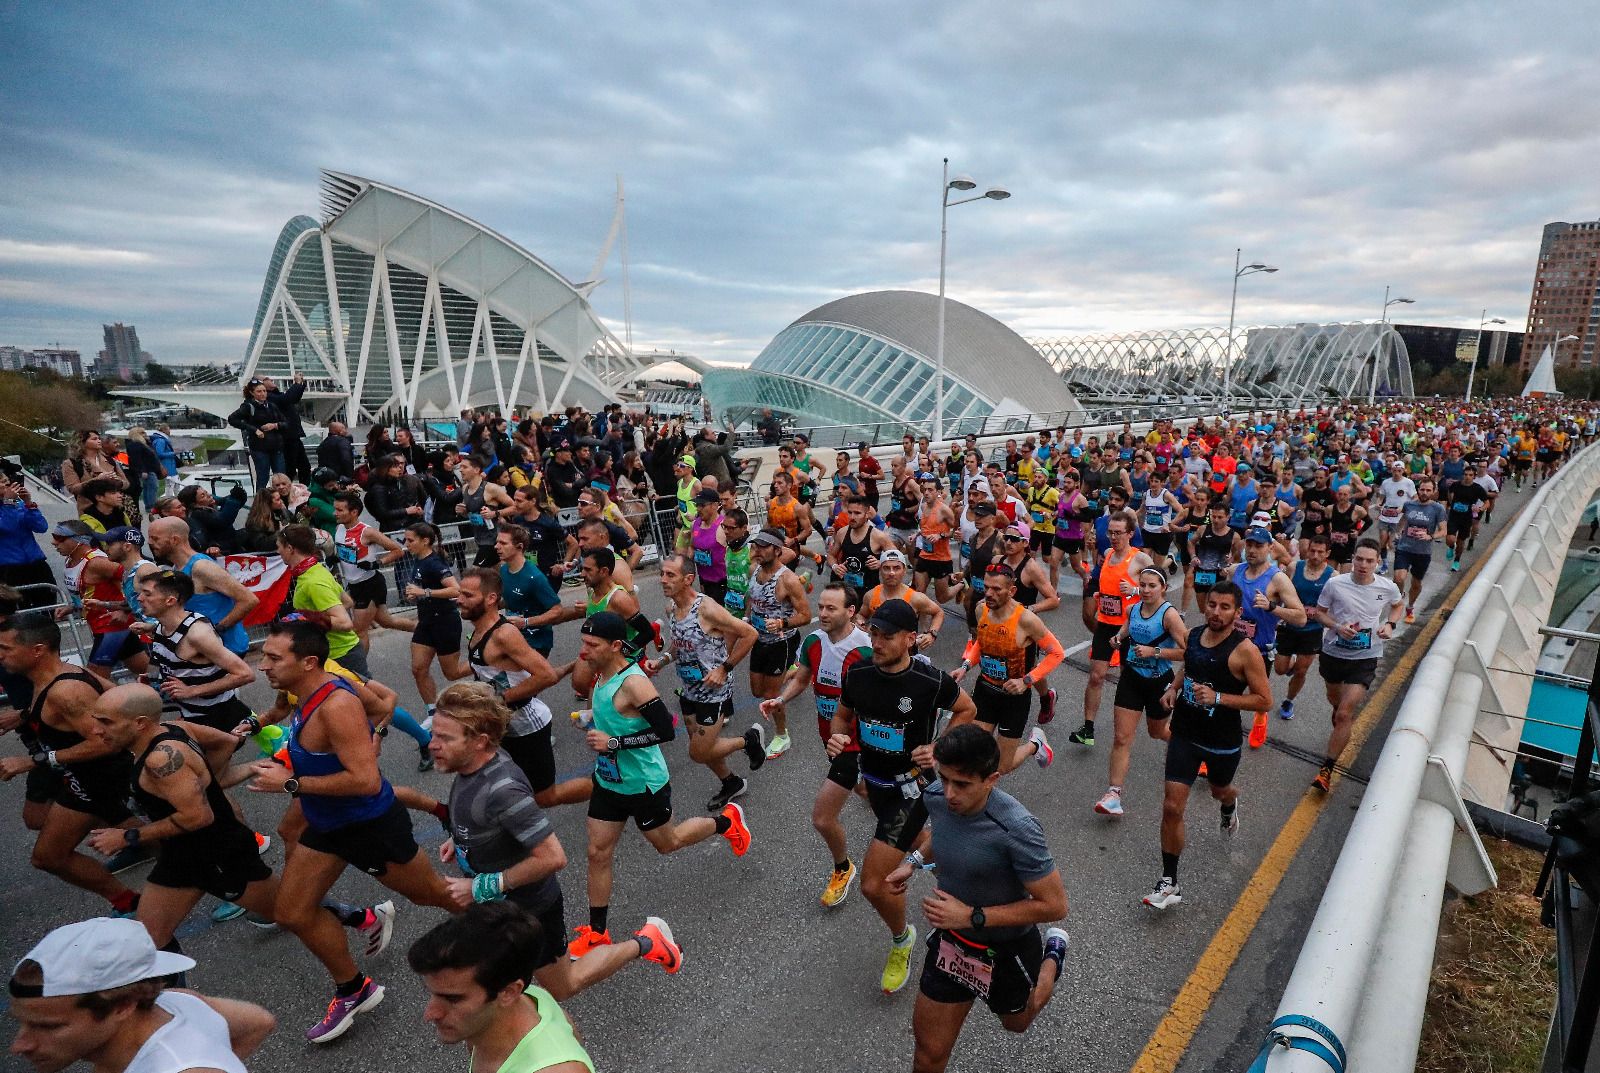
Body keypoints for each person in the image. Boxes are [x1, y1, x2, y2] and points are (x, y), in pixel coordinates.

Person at [83, 684, 395, 1001]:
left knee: (294, 914)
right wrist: (218, 777)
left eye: (106, 722)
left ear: (139, 723)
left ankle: (356, 980)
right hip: (183, 855)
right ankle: (173, 1015)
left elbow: (197, 817)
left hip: (219, 854)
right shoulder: (176, 727)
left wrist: (127, 836)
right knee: (151, 936)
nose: (96, 730)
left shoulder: (161, 759)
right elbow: (226, 741)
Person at [244, 620, 459, 1041]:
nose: (262, 665)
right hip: (326, 824)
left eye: (272, 658)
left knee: (430, 894)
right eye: (263, 655)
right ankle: (354, 989)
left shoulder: (336, 703)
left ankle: (509, 927)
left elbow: (365, 780)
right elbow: (382, 708)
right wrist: (371, 736)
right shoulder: (303, 692)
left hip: (368, 826)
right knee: (291, 912)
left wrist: (291, 784)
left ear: (308, 662)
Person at [422, 687, 681, 1003]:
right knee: (502, 991)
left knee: (563, 985)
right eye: (434, 734)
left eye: (445, 738)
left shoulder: (502, 789)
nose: (432, 745)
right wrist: (462, 838)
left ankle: (646, 942)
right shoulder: (470, 767)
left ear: (480, 741)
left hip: (529, 912)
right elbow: (494, 820)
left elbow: (554, 857)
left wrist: (480, 886)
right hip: (495, 907)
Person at [883, 724, 1070, 1073]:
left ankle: (1053, 957)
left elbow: (1055, 905)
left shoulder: (1017, 828)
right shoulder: (937, 796)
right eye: (945, 778)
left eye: (963, 784)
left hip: (1005, 947)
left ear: (992, 780)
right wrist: (913, 862)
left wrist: (972, 915)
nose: (949, 792)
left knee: (1017, 1024)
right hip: (952, 942)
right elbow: (942, 833)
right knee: (929, 1052)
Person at [565, 612, 753, 959]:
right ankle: (597, 932)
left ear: (615, 646)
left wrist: (614, 744)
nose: (583, 650)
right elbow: (619, 717)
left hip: (643, 783)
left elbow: (666, 730)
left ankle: (726, 823)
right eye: (583, 642)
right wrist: (593, 719)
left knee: (669, 843)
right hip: (609, 781)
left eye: (591, 644)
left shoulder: (634, 683)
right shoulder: (600, 673)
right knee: (597, 852)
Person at [827, 598, 977, 994]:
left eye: (887, 636)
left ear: (911, 639)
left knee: (874, 884)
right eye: (874, 633)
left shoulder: (929, 682)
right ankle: (952, 859)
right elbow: (842, 716)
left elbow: (967, 709)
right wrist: (838, 735)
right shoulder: (858, 673)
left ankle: (902, 940)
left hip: (911, 789)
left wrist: (940, 747)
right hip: (873, 782)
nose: (876, 642)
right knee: (912, 843)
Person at [1143, 582, 1271, 910]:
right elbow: (1190, 665)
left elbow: (1264, 700)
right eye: (1212, 604)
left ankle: (1229, 802)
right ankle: (1170, 881)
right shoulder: (1196, 633)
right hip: (1185, 733)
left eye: (1224, 607)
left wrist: (1218, 698)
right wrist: (1173, 688)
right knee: (1172, 807)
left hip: (1221, 742)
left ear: (1237, 612)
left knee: (1219, 790)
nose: (1216, 611)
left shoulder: (1245, 651)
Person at [7, 917, 275, 1073]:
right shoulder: (178, 1001)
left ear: (123, 1006)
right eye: (23, 1022)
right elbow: (259, 1022)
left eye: (47, 1026)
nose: (19, 1045)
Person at [0, 614, 139, 913]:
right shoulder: (58, 678)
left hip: (102, 780)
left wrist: (35, 760)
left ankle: (236, 879)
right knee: (49, 856)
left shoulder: (66, 690)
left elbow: (104, 741)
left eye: (6, 648)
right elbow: (113, 694)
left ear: (37, 650)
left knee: (168, 843)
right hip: (80, 780)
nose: (0, 655)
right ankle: (128, 900)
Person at [760, 582, 874, 907]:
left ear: (850, 611)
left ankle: (843, 868)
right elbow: (802, 677)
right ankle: (874, 793)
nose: (822, 613)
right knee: (863, 788)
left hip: (858, 742)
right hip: (830, 738)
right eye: (820, 606)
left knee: (822, 818)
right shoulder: (813, 641)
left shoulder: (866, 649)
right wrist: (779, 698)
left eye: (830, 608)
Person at [450, 567, 589, 811]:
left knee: (545, 797)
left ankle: (613, 790)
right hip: (501, 723)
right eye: (460, 594)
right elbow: (494, 673)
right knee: (492, 781)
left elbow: (545, 675)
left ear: (491, 599)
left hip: (527, 725)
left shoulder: (504, 634)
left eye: (468, 595)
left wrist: (499, 699)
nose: (460, 600)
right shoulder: (477, 630)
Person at [409, 903, 597, 1073]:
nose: (430, 1014)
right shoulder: (510, 1006)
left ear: (509, 992)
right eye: (432, 993)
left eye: (453, 999)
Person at [646, 553, 765, 810]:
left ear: (688, 579)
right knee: (703, 747)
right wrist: (664, 660)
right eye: (662, 574)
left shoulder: (706, 608)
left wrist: (725, 668)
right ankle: (731, 782)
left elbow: (749, 633)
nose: (663, 580)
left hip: (714, 691)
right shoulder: (672, 608)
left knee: (698, 752)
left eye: (670, 575)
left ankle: (749, 739)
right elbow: (681, 643)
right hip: (689, 689)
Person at [1307, 539, 1404, 793]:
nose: (1363, 565)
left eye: (1369, 561)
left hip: (1364, 658)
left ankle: (1326, 770)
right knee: (1336, 705)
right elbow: (1319, 612)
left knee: (1343, 713)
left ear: (1378, 563)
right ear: (1353, 558)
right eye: (1359, 559)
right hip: (1333, 654)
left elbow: (1397, 605)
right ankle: (1341, 728)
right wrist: (1337, 627)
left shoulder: (1387, 587)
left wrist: (1390, 625)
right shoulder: (1335, 584)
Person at [950, 565, 1062, 775]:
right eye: (987, 587)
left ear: (1011, 592)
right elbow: (982, 643)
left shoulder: (1027, 620)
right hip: (985, 689)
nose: (989, 594)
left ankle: (1035, 744)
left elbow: (1057, 653)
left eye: (997, 589)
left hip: (1014, 698)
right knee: (974, 753)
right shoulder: (981, 609)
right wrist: (965, 666)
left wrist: (1026, 681)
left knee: (1001, 767)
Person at [1095, 567, 1188, 818]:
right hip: (1132, 679)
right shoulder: (1133, 608)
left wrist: (1155, 652)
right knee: (1122, 737)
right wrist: (1117, 638)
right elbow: (1127, 628)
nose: (1146, 590)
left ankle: (1188, 748)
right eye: (1143, 585)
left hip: (1159, 683)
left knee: (1157, 732)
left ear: (1163, 588)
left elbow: (1189, 652)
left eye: (1152, 586)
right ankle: (1113, 794)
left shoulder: (1169, 616)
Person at [134, 570, 256, 732]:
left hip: (217, 716)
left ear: (170, 600)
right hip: (190, 714)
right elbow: (158, 657)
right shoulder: (161, 627)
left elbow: (245, 674)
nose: (139, 598)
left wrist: (192, 691)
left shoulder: (197, 634)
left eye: (147, 594)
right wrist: (151, 678)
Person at [1071, 512, 1152, 748]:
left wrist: (1136, 590)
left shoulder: (1140, 560)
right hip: (1106, 624)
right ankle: (1087, 729)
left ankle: (1127, 724)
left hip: (1130, 627)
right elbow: (1105, 584)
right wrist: (1100, 595)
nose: (1113, 537)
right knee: (1096, 676)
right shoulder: (1106, 554)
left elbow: (1160, 586)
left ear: (1130, 534)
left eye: (1118, 533)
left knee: (1128, 679)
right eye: (1111, 532)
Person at [1232, 521, 1307, 749]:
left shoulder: (1278, 579)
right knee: (1224, 697)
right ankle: (1216, 748)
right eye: (1250, 545)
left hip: (1259, 649)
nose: (1253, 550)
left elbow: (1301, 617)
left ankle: (1261, 716)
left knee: (1258, 696)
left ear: (1270, 549)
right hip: (1233, 645)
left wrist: (1272, 607)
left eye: (1259, 546)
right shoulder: (1236, 571)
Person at [144, 517, 259, 656]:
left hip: (225, 651)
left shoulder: (201, 567)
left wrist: (216, 630)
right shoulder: (177, 568)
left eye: (155, 539)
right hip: (201, 654)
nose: (150, 543)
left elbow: (249, 599)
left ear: (175, 540)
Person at [51, 520, 149, 682]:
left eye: (59, 537)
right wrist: (72, 607)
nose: (54, 542)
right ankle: (173, 686)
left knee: (94, 680)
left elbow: (135, 583)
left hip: (111, 629)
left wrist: (125, 610)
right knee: (144, 669)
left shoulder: (98, 562)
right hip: (102, 627)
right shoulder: (71, 560)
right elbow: (87, 592)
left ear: (78, 540)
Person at [746, 526, 813, 760]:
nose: (757, 550)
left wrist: (783, 623)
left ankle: (782, 735)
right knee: (757, 691)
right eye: (756, 545)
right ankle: (793, 670)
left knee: (770, 695)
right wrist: (746, 620)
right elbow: (751, 599)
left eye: (763, 547)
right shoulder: (754, 570)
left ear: (777, 550)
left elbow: (805, 615)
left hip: (781, 642)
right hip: (759, 639)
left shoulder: (788, 580)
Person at [401, 521, 467, 724]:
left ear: (425, 541)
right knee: (418, 669)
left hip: (445, 621)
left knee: (452, 673)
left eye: (410, 540)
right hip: (426, 622)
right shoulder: (418, 560)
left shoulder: (434, 563)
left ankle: (486, 659)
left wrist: (424, 592)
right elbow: (423, 589)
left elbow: (456, 590)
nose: (406, 544)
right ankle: (433, 713)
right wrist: (416, 595)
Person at [1274, 534, 1335, 721]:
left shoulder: (1333, 576)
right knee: (1279, 669)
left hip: (1312, 630)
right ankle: (1291, 664)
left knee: (1301, 671)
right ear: (1307, 550)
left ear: (1327, 554)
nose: (1315, 555)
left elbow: (1337, 604)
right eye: (1312, 551)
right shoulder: (1294, 567)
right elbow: (1279, 590)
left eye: (1320, 552)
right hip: (1288, 626)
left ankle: (1288, 701)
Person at [1391, 475, 1448, 624]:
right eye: (1422, 489)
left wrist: (1431, 536)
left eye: (1428, 490)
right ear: (1418, 489)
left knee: (1416, 583)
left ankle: (1410, 607)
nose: (1424, 493)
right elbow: (1404, 520)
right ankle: (1400, 597)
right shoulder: (1409, 504)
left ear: (1434, 492)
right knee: (1398, 578)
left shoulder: (1438, 508)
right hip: (1404, 548)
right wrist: (1397, 533)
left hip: (1422, 552)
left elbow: (1443, 531)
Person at [0, 468, 53, 607]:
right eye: (2, 482)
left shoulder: (17, 503)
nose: (7, 485)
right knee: (21, 610)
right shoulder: (9, 504)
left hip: (35, 561)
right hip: (9, 567)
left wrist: (29, 503)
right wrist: (8, 503)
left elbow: (41, 527)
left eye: (7, 481)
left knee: (48, 604)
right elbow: (7, 526)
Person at [229, 378, 288, 488]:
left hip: (276, 446)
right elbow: (232, 419)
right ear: (252, 393)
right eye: (259, 391)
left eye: (264, 391)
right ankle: (261, 502)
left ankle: (281, 502)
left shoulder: (271, 406)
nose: (263, 394)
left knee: (281, 477)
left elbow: (286, 423)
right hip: (260, 447)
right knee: (263, 477)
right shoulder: (248, 406)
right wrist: (254, 430)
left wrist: (275, 425)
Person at [458, 453, 514, 567]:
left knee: (475, 572)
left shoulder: (490, 488)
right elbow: (470, 513)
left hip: (493, 539)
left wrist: (495, 513)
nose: (460, 470)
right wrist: (463, 512)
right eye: (460, 467)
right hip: (479, 538)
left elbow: (515, 507)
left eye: (464, 467)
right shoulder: (465, 488)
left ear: (476, 469)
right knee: (497, 575)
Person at [62, 430, 129, 513]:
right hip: (89, 509)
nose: (99, 441)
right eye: (94, 439)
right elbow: (73, 488)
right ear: (82, 442)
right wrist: (97, 480)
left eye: (99, 438)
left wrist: (117, 481)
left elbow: (126, 484)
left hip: (115, 509)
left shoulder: (110, 460)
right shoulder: (71, 463)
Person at [1442, 462, 1489, 573]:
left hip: (1466, 518)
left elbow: (1487, 503)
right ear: (1463, 475)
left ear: (1474, 476)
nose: (1467, 477)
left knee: (1461, 541)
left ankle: (1457, 560)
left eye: (1470, 475)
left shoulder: (1477, 489)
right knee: (1450, 539)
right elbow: (1450, 493)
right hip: (1454, 515)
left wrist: (1480, 509)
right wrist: (1451, 503)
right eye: (1466, 474)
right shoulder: (1456, 485)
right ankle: (1450, 547)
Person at [176, 485, 248, 557]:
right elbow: (224, 520)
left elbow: (227, 507)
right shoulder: (198, 514)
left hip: (229, 543)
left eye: (206, 492)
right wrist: (233, 500)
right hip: (221, 550)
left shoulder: (206, 508)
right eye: (203, 496)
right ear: (195, 504)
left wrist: (238, 497)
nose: (209, 495)